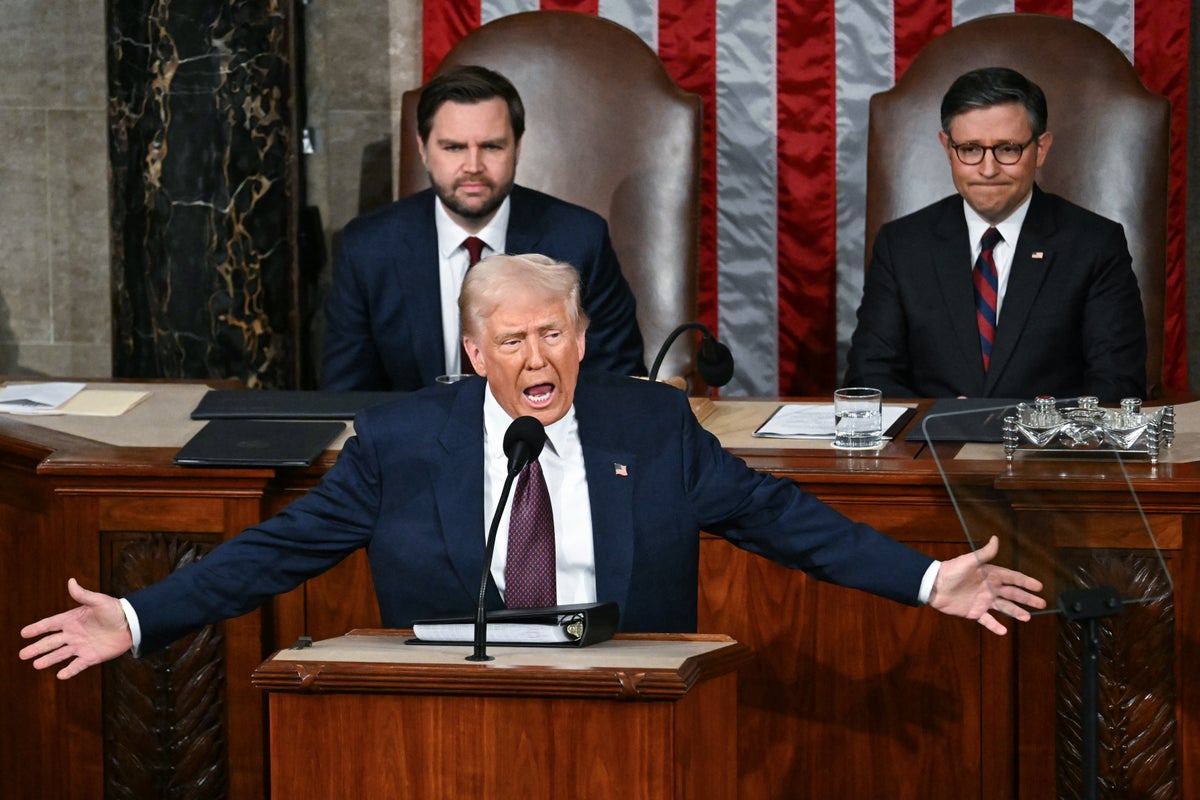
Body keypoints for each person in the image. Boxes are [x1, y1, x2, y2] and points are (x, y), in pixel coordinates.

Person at [20, 254, 1045, 679]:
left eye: (552, 334)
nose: (537, 358)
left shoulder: (649, 427)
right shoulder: (404, 440)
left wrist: (927, 577)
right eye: (511, 341)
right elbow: (278, 551)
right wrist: (141, 614)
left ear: (580, 338)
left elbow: (784, 518)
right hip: (453, 715)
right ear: (475, 353)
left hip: (631, 696)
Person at [321, 64, 646, 390]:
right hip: (413, 437)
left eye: (491, 147)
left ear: (517, 149)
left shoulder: (580, 240)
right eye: (453, 147)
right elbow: (345, 397)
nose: (473, 167)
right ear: (423, 150)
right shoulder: (368, 248)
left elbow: (618, 384)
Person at [844, 67, 1146, 402]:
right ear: (947, 148)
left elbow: (1118, 386)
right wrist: (941, 419)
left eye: (1007, 149)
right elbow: (869, 376)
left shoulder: (1095, 244)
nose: (988, 170)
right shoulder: (901, 245)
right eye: (970, 149)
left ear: (1041, 148)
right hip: (932, 448)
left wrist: (1015, 425)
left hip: (1048, 451)